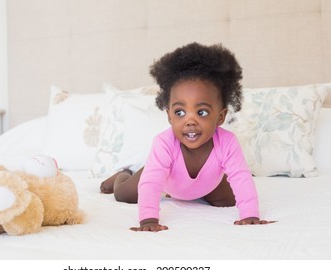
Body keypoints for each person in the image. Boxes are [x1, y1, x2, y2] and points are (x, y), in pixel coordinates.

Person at [100, 42, 274, 232]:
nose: (190, 121)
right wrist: (148, 220)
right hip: (165, 179)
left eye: (202, 112)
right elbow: (151, 184)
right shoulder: (164, 143)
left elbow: (241, 177)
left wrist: (250, 215)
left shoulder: (227, 142)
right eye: (180, 112)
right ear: (169, 115)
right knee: (123, 194)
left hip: (209, 184)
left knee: (229, 200)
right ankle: (123, 173)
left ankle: (199, 191)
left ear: (221, 116)